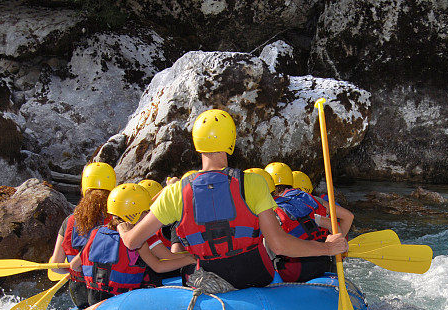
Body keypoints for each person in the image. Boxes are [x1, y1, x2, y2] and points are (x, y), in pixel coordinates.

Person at [116, 109, 348, 289]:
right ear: (230, 142)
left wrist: (124, 230)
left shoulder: (175, 192)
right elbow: (279, 244)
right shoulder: (253, 183)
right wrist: (327, 249)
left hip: (208, 278)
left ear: (198, 145)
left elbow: (133, 242)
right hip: (255, 275)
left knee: (189, 257)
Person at [70, 184, 195, 305]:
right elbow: (158, 266)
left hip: (94, 299)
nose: (149, 215)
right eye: (146, 212)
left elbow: (74, 265)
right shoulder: (138, 240)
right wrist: (189, 260)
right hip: (122, 300)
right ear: (133, 215)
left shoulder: (96, 233)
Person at [266, 163, 355, 282]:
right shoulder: (311, 199)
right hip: (324, 263)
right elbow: (348, 216)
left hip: (295, 269)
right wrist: (337, 245)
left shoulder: (272, 207)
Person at [48, 162, 116, 308]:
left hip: (81, 291)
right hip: (113, 290)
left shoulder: (69, 221)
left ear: (84, 189)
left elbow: (55, 265)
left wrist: (74, 268)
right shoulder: (119, 219)